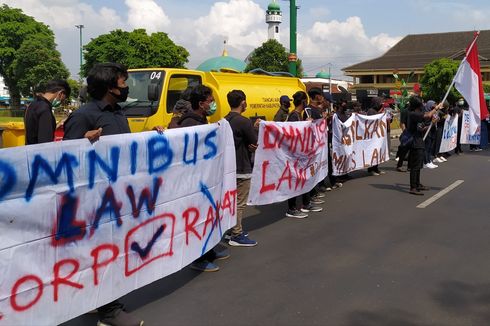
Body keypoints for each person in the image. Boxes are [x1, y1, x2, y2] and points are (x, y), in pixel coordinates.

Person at [63, 63, 143, 326]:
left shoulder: (118, 113)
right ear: (110, 87)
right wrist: (81, 142)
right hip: (95, 202)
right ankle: (109, 313)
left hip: (119, 198)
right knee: (103, 252)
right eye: (123, 82)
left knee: (115, 250)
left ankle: (97, 301)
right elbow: (66, 160)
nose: (126, 86)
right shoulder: (83, 116)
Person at [174, 84, 231, 272]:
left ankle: (209, 250)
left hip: (205, 179)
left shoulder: (201, 119)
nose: (213, 103)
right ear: (201, 103)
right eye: (210, 101)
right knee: (198, 219)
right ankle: (198, 258)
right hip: (194, 181)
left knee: (208, 216)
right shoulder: (190, 122)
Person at [224, 90, 258, 247]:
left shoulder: (225, 120)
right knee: (240, 202)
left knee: (231, 201)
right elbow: (254, 142)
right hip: (242, 166)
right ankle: (236, 234)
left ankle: (232, 229)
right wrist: (255, 128)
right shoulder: (244, 122)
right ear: (243, 102)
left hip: (229, 167)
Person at [285, 91, 323, 218]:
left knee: (304, 179)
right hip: (295, 156)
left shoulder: (298, 115)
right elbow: (293, 135)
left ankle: (306, 203)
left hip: (301, 155)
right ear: (303, 102)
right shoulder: (293, 116)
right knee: (295, 181)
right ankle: (292, 208)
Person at [406, 96, 441, 195]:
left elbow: (421, 128)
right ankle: (413, 187)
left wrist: (431, 124)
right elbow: (428, 115)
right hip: (415, 142)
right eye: (421, 102)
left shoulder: (417, 113)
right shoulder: (413, 114)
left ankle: (417, 184)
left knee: (419, 165)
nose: (423, 104)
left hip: (419, 140)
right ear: (418, 104)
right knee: (415, 166)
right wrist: (436, 108)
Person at [24, 80, 71, 145]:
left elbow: (36, 130)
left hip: (30, 149)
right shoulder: (45, 109)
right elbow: (45, 142)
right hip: (39, 152)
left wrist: (57, 125)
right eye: (63, 100)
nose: (61, 103)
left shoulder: (32, 104)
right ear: (61, 93)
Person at [366, 97, 386, 176]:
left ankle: (376, 168)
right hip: (372, 135)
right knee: (372, 153)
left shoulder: (377, 111)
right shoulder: (371, 111)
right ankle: (371, 169)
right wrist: (380, 113)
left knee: (377, 153)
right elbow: (372, 120)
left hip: (377, 135)